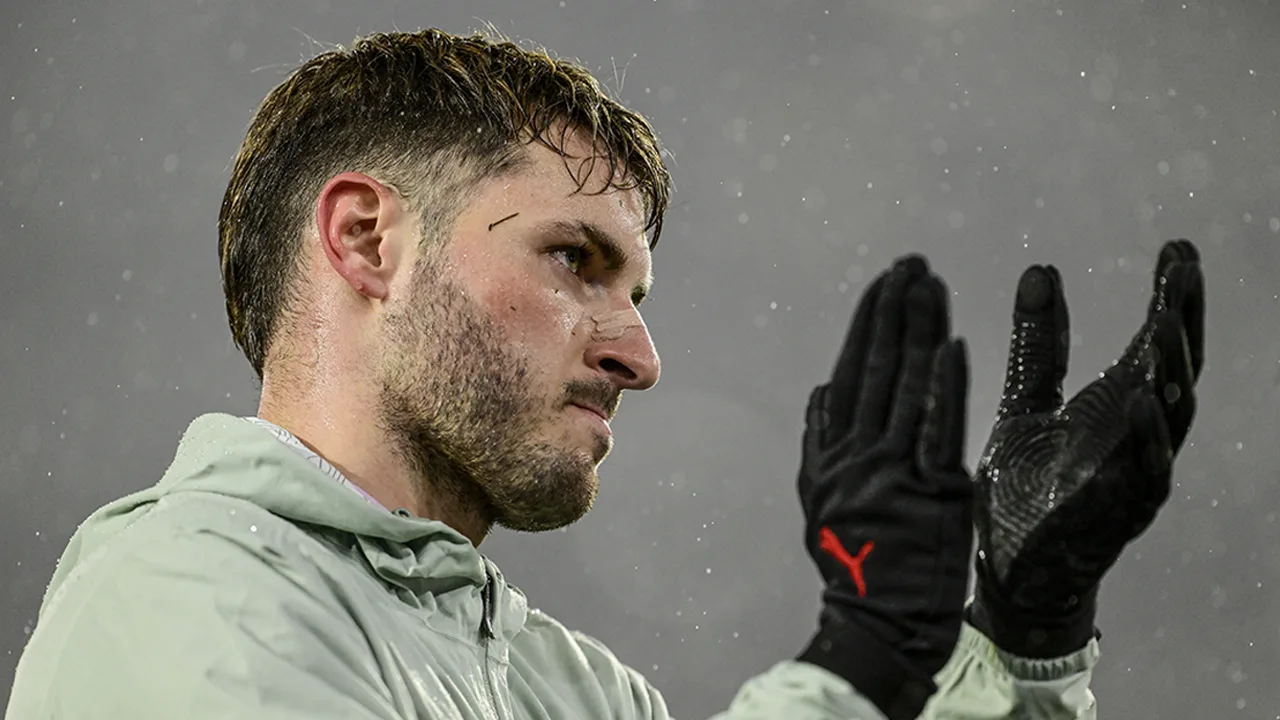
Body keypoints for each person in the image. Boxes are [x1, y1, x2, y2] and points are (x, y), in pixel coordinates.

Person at [3, 27, 1203, 720]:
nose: (639, 355)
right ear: (366, 240)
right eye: (572, 259)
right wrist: (854, 662)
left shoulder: (568, 686)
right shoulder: (180, 595)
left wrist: (1017, 637)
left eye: (636, 294)